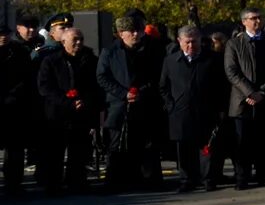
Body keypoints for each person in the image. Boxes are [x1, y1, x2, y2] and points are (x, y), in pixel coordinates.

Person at [97, 13, 166, 191]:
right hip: (119, 106)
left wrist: (141, 92)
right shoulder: (110, 52)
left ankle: (150, 181)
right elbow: (102, 77)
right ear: (121, 33)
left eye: (139, 31)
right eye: (131, 31)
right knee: (117, 145)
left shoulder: (152, 50)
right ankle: (116, 182)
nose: (136, 34)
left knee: (148, 145)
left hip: (145, 104)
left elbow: (158, 75)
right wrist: (123, 93)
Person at [224, 8, 265, 189]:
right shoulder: (234, 44)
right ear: (244, 21)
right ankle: (242, 178)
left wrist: (262, 93)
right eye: (253, 18)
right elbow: (232, 72)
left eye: (259, 18)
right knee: (242, 143)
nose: (257, 21)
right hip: (242, 102)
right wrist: (250, 92)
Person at [37, 24, 100, 195]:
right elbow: (45, 87)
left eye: (81, 39)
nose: (79, 43)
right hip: (57, 114)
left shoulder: (90, 60)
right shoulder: (51, 61)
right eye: (75, 40)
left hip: (81, 113)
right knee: (55, 152)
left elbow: (95, 85)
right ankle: (53, 185)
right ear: (64, 41)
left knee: (79, 150)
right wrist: (66, 102)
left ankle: (77, 181)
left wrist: (85, 101)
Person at [161, 23, 225, 192]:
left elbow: (221, 85)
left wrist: (218, 108)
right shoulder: (170, 61)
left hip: (206, 111)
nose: (191, 46)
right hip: (180, 112)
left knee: (207, 149)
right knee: (184, 149)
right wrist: (170, 105)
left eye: (194, 42)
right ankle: (186, 180)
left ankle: (208, 179)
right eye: (187, 42)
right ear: (179, 41)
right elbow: (163, 86)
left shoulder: (212, 59)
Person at [1, 17, 41, 195]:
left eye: (5, 34)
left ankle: (14, 184)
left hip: (15, 105)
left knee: (15, 148)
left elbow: (27, 78)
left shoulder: (18, 51)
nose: (3, 37)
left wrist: (14, 95)